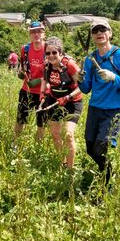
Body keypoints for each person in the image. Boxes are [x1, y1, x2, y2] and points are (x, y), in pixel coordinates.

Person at [76, 21, 120, 185]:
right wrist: (78, 80)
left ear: (110, 33)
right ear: (93, 36)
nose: (99, 32)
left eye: (103, 29)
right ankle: (108, 172)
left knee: (101, 148)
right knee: (90, 148)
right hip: (95, 108)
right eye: (95, 31)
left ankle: (107, 184)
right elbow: (86, 88)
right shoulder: (91, 59)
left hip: (114, 110)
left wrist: (113, 77)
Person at [39, 37, 83, 169]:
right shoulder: (47, 66)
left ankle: (70, 169)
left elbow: (83, 87)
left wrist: (68, 97)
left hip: (73, 102)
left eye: (54, 53)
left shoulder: (69, 65)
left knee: (68, 134)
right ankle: (61, 163)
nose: (51, 56)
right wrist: (42, 93)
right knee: (55, 134)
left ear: (61, 53)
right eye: (48, 53)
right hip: (54, 100)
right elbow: (44, 80)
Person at [14, 21, 46, 142]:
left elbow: (56, 71)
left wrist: (39, 81)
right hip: (26, 89)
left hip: (43, 92)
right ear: (29, 34)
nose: (36, 34)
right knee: (20, 119)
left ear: (44, 33)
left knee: (41, 123)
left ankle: (38, 147)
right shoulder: (25, 49)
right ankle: (15, 144)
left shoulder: (49, 48)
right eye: (33, 32)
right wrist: (21, 74)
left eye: (39, 31)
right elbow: (23, 66)